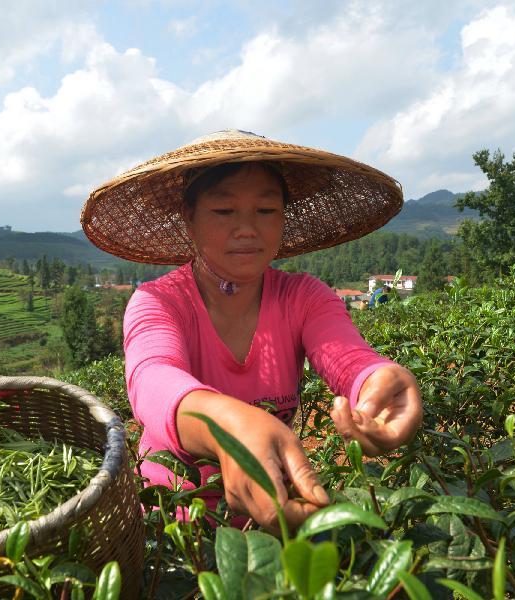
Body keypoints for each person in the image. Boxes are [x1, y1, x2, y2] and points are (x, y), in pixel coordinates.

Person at [81, 130, 423, 533]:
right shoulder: (159, 301)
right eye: (224, 211)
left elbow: (347, 358)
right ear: (189, 219)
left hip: (273, 515)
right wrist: (227, 426)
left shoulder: (304, 297)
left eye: (265, 210)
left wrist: (375, 383)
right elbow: (152, 379)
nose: (247, 228)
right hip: (173, 525)